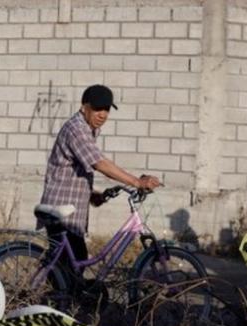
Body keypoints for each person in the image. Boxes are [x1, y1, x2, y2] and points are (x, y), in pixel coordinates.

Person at [37, 84, 161, 273]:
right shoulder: (76, 129)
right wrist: (137, 182)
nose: (102, 114)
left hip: (71, 208)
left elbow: (72, 169)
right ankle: (61, 301)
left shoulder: (87, 128)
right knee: (72, 265)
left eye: (107, 109)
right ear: (83, 107)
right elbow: (99, 163)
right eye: (97, 108)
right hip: (62, 211)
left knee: (69, 266)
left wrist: (92, 194)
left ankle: (66, 299)